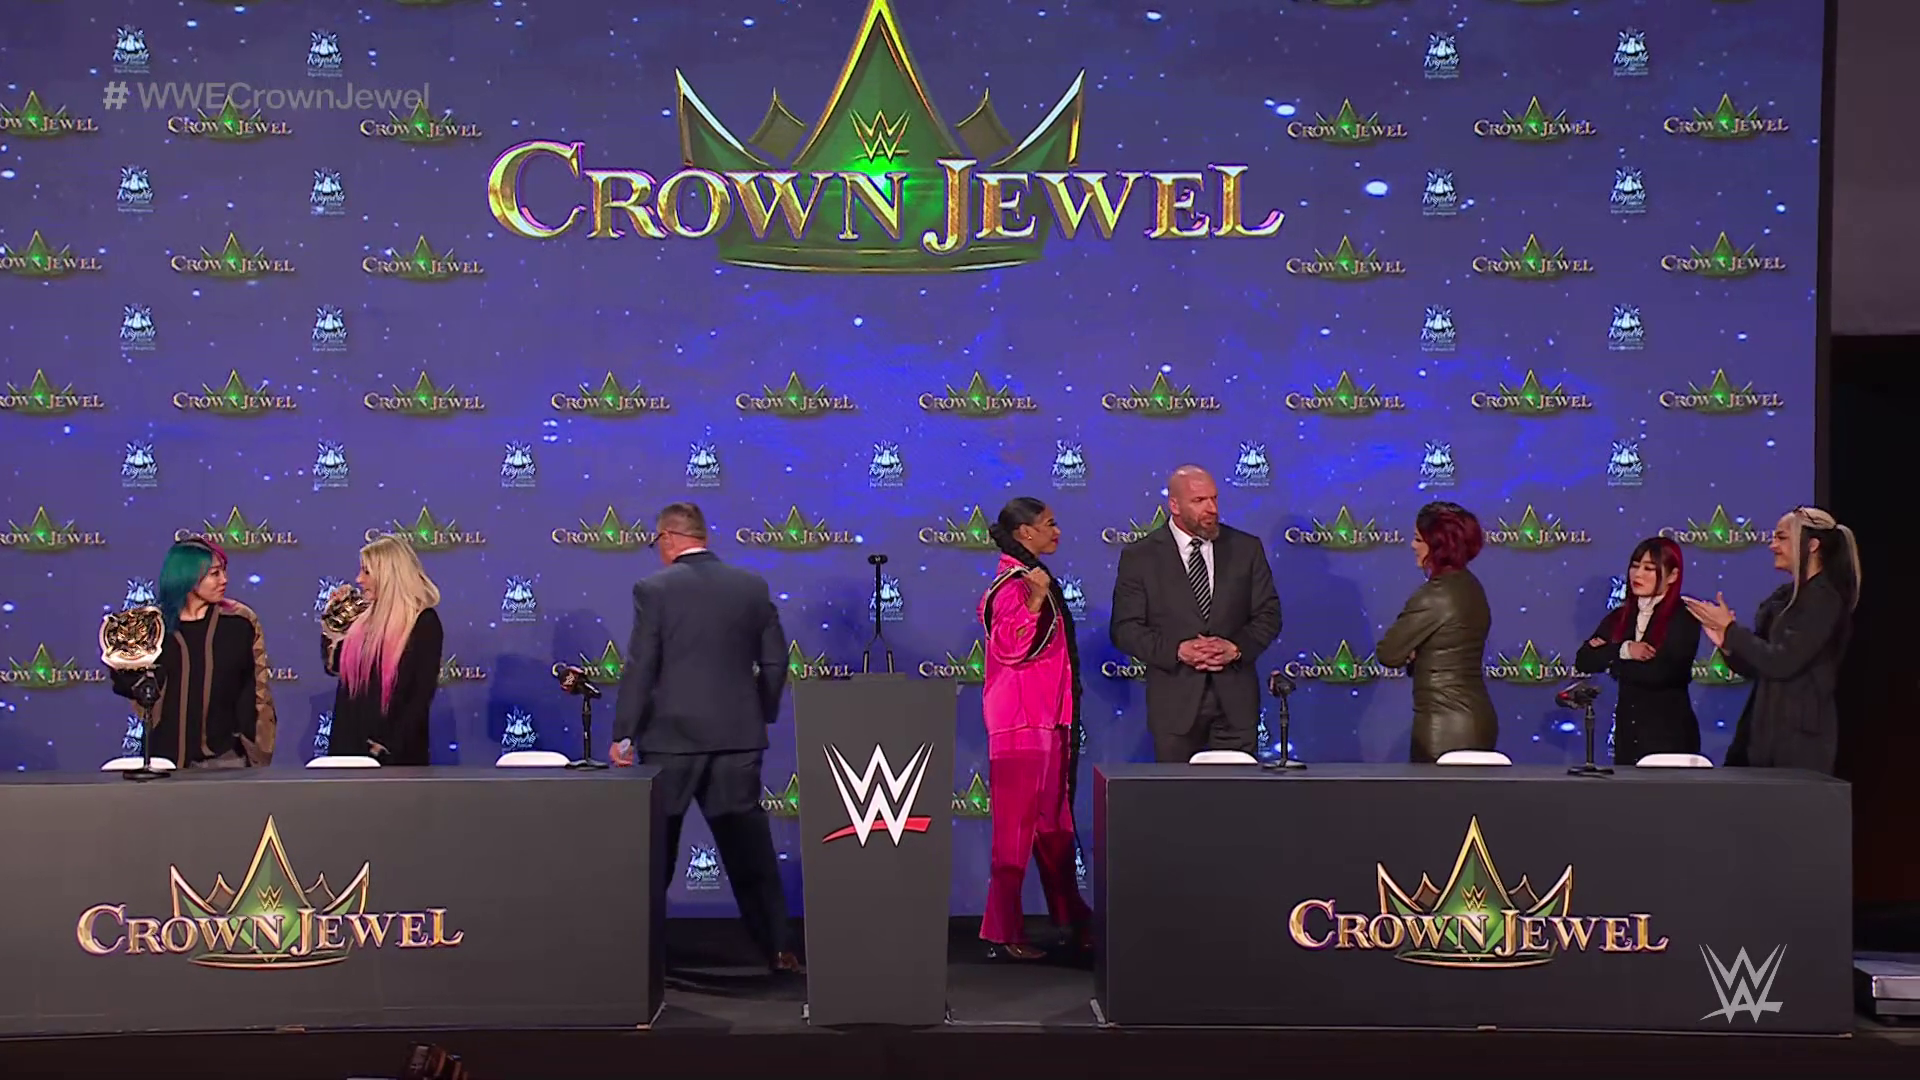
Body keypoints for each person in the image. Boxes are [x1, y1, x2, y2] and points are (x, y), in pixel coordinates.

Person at [610, 503, 799, 974]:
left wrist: (625, 734)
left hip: (669, 740)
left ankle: (641, 959)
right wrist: (760, 713)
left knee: (657, 853)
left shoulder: (653, 589)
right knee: (750, 851)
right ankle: (779, 948)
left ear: (669, 538)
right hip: (738, 738)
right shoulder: (750, 586)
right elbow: (776, 661)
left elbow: (641, 666)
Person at [978, 497, 1094, 960]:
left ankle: (1072, 918)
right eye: (1049, 524)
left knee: (1055, 827)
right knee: (1014, 832)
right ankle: (1002, 931)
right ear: (1025, 532)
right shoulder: (1012, 586)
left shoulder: (1030, 578)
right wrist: (1036, 599)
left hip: (1049, 720)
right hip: (1020, 724)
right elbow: (1009, 647)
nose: (1057, 531)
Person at [1110, 465, 1282, 763]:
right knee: (1179, 793)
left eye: (1214, 499)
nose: (1211, 508)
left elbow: (1269, 614)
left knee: (1235, 792)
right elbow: (1125, 629)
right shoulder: (1140, 557)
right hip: (1174, 706)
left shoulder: (1246, 548)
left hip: (1235, 706)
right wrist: (1177, 651)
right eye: (1199, 501)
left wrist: (1236, 648)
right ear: (1174, 505)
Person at [1684, 506, 1860, 774]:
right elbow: (1759, 665)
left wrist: (1732, 630)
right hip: (1765, 732)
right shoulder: (1785, 598)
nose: (1772, 545)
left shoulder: (1824, 599)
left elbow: (1783, 661)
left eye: (1781, 538)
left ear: (1812, 545)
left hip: (1799, 743)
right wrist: (1726, 643)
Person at [110, 538, 276, 768]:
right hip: (165, 763)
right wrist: (123, 664)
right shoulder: (152, 628)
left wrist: (257, 750)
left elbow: (258, 691)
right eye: (214, 574)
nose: (224, 580)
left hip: (227, 762)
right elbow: (132, 689)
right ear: (186, 577)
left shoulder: (240, 623)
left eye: (224, 571)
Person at [1376, 501, 1498, 763]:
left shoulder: (1435, 595)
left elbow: (1389, 653)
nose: (1412, 545)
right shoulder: (1471, 586)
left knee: (1436, 791)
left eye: (1419, 539)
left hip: (1445, 729)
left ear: (1440, 546)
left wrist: (1414, 651)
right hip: (1477, 720)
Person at [1574, 537, 1702, 766]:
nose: (1637, 575)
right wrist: (1625, 650)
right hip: (1628, 738)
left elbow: (1663, 673)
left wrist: (1611, 662)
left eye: (1649, 569)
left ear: (1672, 576)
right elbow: (1584, 660)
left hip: (1669, 738)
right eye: (1635, 566)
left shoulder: (1683, 618)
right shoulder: (1620, 617)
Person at [322, 534, 445, 765]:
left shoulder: (423, 622)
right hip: (348, 748)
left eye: (366, 572)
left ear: (389, 574)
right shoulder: (361, 618)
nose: (358, 579)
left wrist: (387, 746)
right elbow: (334, 666)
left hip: (394, 757)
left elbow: (420, 696)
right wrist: (333, 620)